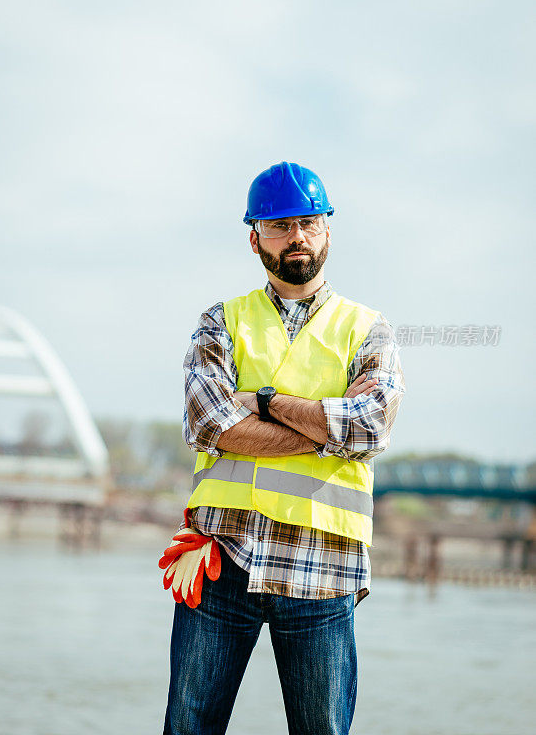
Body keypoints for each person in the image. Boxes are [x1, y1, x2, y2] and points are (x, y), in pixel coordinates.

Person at [161, 161, 406, 735]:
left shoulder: (369, 330)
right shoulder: (219, 321)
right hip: (222, 561)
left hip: (325, 569)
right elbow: (211, 423)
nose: (295, 236)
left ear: (327, 231)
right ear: (254, 237)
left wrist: (265, 403)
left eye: (307, 222)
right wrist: (326, 433)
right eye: (278, 224)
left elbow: (369, 429)